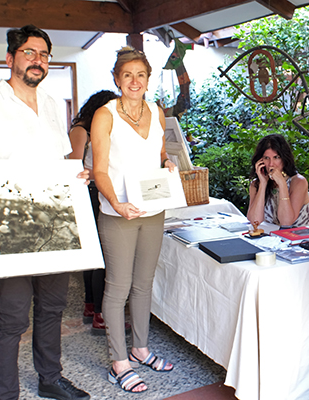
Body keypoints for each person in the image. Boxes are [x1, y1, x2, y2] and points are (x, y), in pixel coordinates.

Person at [0, 25, 91, 400]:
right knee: (12, 316)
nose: (37, 60)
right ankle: (6, 395)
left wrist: (76, 177)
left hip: (54, 223)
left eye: (43, 54)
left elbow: (60, 163)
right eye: (29, 52)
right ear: (11, 58)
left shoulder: (53, 104)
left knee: (53, 307)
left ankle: (50, 379)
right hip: (7, 226)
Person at [91, 46, 176, 394]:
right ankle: (119, 363)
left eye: (141, 75)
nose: (134, 81)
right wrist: (117, 203)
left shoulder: (156, 111)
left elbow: (160, 153)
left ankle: (140, 349)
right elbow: (99, 170)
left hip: (153, 210)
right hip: (118, 213)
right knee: (118, 287)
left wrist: (168, 164)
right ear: (117, 79)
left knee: (144, 283)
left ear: (148, 79)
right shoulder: (105, 115)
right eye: (127, 75)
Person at [69, 90, 120, 335]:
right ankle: (100, 313)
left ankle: (91, 306)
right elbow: (74, 166)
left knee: (94, 254)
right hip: (89, 193)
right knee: (99, 255)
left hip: (94, 190)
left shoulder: (95, 130)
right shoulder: (81, 131)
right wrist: (98, 173)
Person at [247, 133, 309, 228]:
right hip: (271, 234)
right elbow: (255, 221)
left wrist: (282, 184)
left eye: (276, 157)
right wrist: (263, 184)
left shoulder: (298, 182)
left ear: (284, 158)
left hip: (300, 234)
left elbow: (286, 222)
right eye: (266, 158)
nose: (271, 164)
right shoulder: (256, 184)